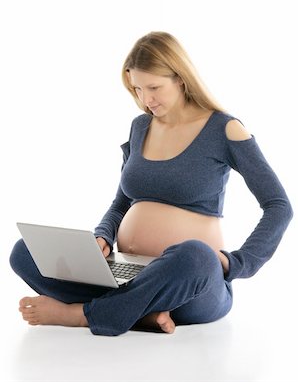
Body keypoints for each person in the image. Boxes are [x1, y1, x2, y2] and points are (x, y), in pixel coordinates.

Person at [10, 31, 293, 336]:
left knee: (195, 255)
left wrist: (236, 263)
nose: (146, 99)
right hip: (128, 272)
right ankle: (141, 313)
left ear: (181, 78)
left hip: (192, 284)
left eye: (154, 87)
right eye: (138, 89)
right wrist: (103, 236)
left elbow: (279, 207)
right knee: (25, 252)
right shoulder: (140, 126)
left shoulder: (225, 129)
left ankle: (84, 314)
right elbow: (122, 201)